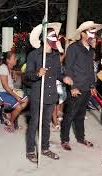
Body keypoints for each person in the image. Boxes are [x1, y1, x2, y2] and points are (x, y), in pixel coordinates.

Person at [25, 23, 72, 162]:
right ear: (44, 38)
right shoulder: (34, 55)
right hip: (37, 95)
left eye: (56, 36)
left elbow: (58, 73)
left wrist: (65, 78)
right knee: (34, 123)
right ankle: (30, 151)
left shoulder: (55, 55)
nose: (56, 39)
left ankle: (45, 148)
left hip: (51, 95)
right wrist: (37, 73)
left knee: (46, 123)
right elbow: (27, 76)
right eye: (52, 36)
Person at [61, 21, 102, 151]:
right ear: (83, 34)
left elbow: (91, 69)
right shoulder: (73, 47)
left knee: (80, 115)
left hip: (87, 87)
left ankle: (80, 138)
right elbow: (68, 68)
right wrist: (72, 86)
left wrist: (93, 85)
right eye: (91, 32)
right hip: (76, 88)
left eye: (95, 32)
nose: (94, 35)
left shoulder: (91, 50)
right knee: (70, 115)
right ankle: (65, 140)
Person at [0, 51, 28, 132]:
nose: (16, 59)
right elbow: (5, 87)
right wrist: (16, 96)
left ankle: (10, 115)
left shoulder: (9, 68)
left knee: (25, 100)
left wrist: (13, 74)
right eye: (14, 58)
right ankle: (10, 123)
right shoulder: (3, 68)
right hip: (0, 93)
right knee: (19, 106)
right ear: (8, 60)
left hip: (7, 92)